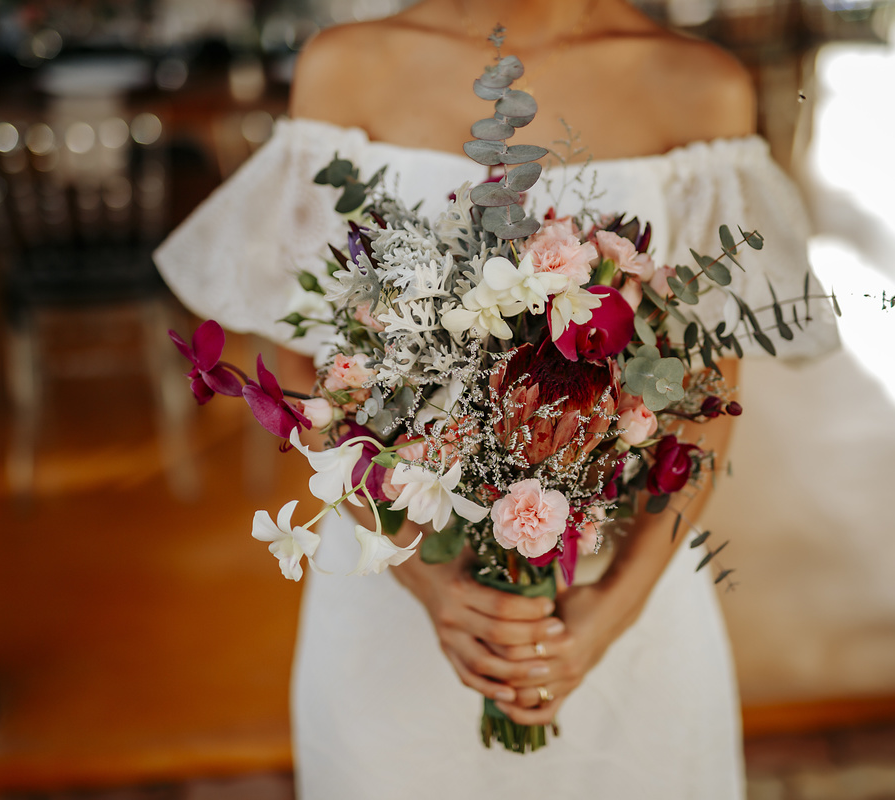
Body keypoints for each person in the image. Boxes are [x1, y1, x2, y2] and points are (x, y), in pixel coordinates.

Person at [154, 1, 837, 796]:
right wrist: (429, 585)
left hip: (621, 595)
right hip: (393, 591)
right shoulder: (346, 68)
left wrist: (609, 616)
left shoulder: (701, 85)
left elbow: (707, 392)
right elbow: (319, 375)